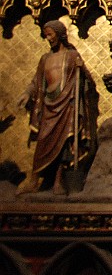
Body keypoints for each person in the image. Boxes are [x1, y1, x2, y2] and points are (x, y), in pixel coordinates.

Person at [16, 20, 99, 193]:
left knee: (65, 143)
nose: (48, 39)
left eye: (50, 34)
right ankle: (34, 180)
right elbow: (37, 82)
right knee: (43, 142)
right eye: (46, 35)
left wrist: (81, 69)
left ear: (59, 34)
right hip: (49, 105)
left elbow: (89, 82)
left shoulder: (72, 56)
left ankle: (58, 181)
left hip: (68, 104)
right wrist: (26, 94)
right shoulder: (45, 58)